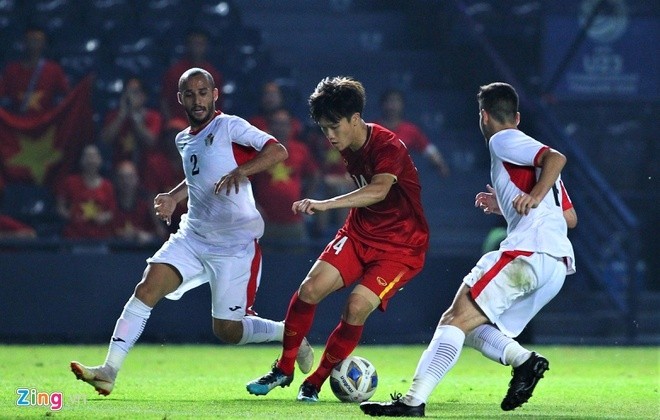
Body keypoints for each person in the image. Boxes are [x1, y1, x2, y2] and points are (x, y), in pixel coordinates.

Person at [70, 67, 314, 396]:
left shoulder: (231, 126)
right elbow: (198, 179)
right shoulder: (183, 139)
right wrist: (173, 196)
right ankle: (109, 371)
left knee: (227, 331)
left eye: (203, 92)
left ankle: (289, 334)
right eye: (190, 93)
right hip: (193, 238)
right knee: (147, 288)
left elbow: (277, 151)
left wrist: (241, 171)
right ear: (180, 99)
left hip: (235, 245)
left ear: (215, 95)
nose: (197, 99)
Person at [360, 82, 576, 417]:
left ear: (484, 116)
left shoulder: (503, 138)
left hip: (527, 253)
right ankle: (525, 361)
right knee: (471, 328)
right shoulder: (540, 175)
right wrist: (505, 205)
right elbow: (569, 218)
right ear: (516, 115)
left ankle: (413, 402)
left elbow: (556, 157)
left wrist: (532, 196)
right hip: (556, 265)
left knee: (452, 319)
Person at [246, 76, 430, 402]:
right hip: (359, 233)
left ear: (355, 119)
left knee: (356, 307)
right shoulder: (347, 143)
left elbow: (379, 189)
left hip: (401, 247)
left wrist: (325, 203)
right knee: (309, 290)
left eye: (334, 126)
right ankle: (285, 368)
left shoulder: (388, 146)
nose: (329, 136)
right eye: (323, 128)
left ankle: (314, 383)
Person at [251, 107, 320, 244]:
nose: (280, 128)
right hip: (265, 222)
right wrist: (254, 205)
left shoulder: (301, 150)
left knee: (299, 261)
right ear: (269, 127)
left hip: (294, 221)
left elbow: (315, 175)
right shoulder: (259, 151)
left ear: (290, 127)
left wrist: (305, 200)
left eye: (284, 124)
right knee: (265, 263)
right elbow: (244, 181)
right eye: (276, 124)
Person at [377, 88, 450, 177]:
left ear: (402, 105)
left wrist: (440, 165)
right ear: (383, 104)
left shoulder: (411, 130)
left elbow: (428, 149)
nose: (393, 106)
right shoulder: (371, 128)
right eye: (389, 101)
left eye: (396, 101)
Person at [0, 26, 70, 117]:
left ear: (44, 44)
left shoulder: (54, 70)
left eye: (37, 40)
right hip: (17, 123)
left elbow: (67, 96)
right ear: (24, 43)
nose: (33, 43)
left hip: (45, 124)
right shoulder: (11, 70)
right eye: (30, 39)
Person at [99, 76, 163, 168]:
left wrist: (134, 116)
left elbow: (150, 142)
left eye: (135, 92)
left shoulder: (153, 116)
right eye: (127, 92)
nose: (130, 96)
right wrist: (121, 117)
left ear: (144, 96)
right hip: (119, 167)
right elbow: (105, 140)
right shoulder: (114, 116)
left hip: (146, 168)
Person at [55, 144, 116, 239]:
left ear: (100, 160)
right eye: (87, 156)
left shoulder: (107, 186)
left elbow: (112, 212)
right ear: (81, 160)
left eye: (93, 156)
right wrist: (71, 216)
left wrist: (103, 218)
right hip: (74, 237)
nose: (90, 160)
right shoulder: (70, 182)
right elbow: (60, 207)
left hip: (99, 238)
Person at [160, 29, 223, 121]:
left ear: (206, 46)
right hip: (179, 123)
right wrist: (170, 122)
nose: (197, 48)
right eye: (194, 44)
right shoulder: (174, 72)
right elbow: (164, 100)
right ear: (187, 45)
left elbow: (218, 104)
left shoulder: (213, 74)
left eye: (200, 44)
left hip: (206, 123)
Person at [112, 160, 165, 244]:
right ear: (117, 180)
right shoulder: (111, 204)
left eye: (129, 177)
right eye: (122, 178)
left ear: (136, 179)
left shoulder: (147, 205)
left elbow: (161, 234)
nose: (126, 182)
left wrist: (148, 236)